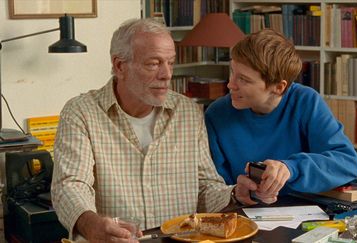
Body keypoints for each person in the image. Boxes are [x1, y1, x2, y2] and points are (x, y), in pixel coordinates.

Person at [51, 18, 266, 243]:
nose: (166, 75)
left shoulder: (188, 112)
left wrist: (235, 194)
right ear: (119, 66)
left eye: (170, 63)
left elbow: (205, 187)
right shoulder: (81, 113)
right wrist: (90, 224)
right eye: (153, 64)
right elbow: (71, 184)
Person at [205, 29, 357, 199]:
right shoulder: (216, 114)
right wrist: (240, 191)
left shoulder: (306, 101)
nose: (230, 85)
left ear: (279, 87)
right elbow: (215, 187)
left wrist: (290, 168)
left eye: (244, 79)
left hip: (305, 210)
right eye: (232, 72)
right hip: (244, 214)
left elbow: (347, 164)